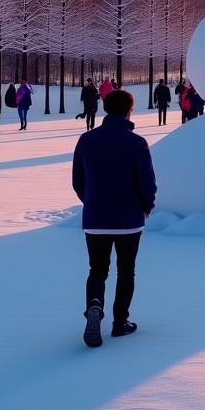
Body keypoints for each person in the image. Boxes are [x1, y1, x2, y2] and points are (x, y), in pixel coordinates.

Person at [72, 88, 157, 347]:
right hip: (128, 219)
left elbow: (78, 181)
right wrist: (146, 206)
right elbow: (147, 183)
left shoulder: (86, 140)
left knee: (97, 270)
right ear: (129, 109)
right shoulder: (136, 142)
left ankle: (95, 307)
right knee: (126, 271)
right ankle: (120, 323)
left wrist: (93, 202)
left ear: (105, 108)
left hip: (96, 218)